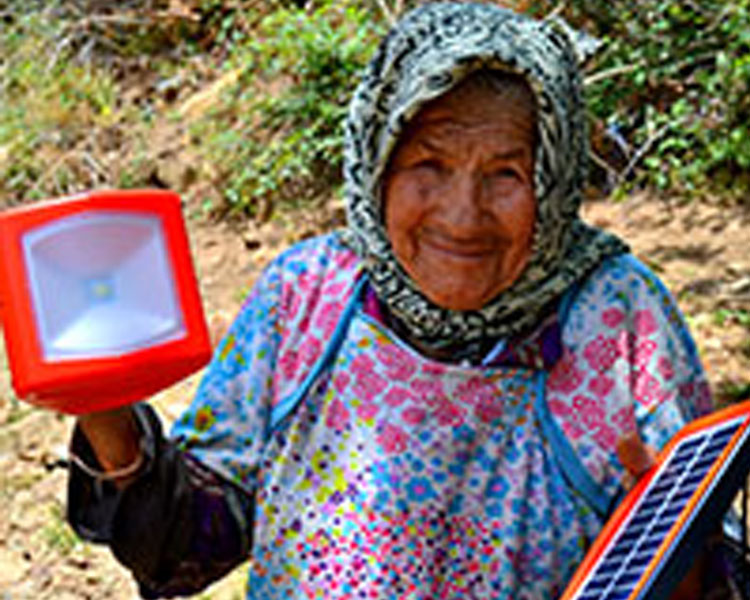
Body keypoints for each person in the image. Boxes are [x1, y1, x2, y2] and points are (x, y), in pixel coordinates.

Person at [66, 3, 732, 598]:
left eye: (507, 173)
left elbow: (699, 563)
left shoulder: (618, 318)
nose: (462, 215)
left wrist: (677, 554)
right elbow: (186, 553)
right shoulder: (309, 294)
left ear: (554, 179)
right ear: (377, 163)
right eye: (429, 166)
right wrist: (104, 408)